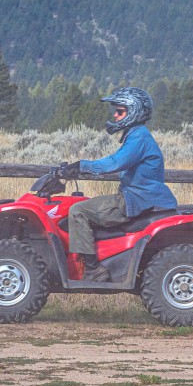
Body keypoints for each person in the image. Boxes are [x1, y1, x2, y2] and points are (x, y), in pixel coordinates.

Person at [61, 87, 178, 282]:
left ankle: (92, 270)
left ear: (133, 112)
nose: (115, 115)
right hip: (141, 198)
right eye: (115, 111)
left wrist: (81, 165)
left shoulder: (139, 137)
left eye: (120, 111)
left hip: (137, 200)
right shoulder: (136, 135)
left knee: (78, 210)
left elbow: (115, 162)